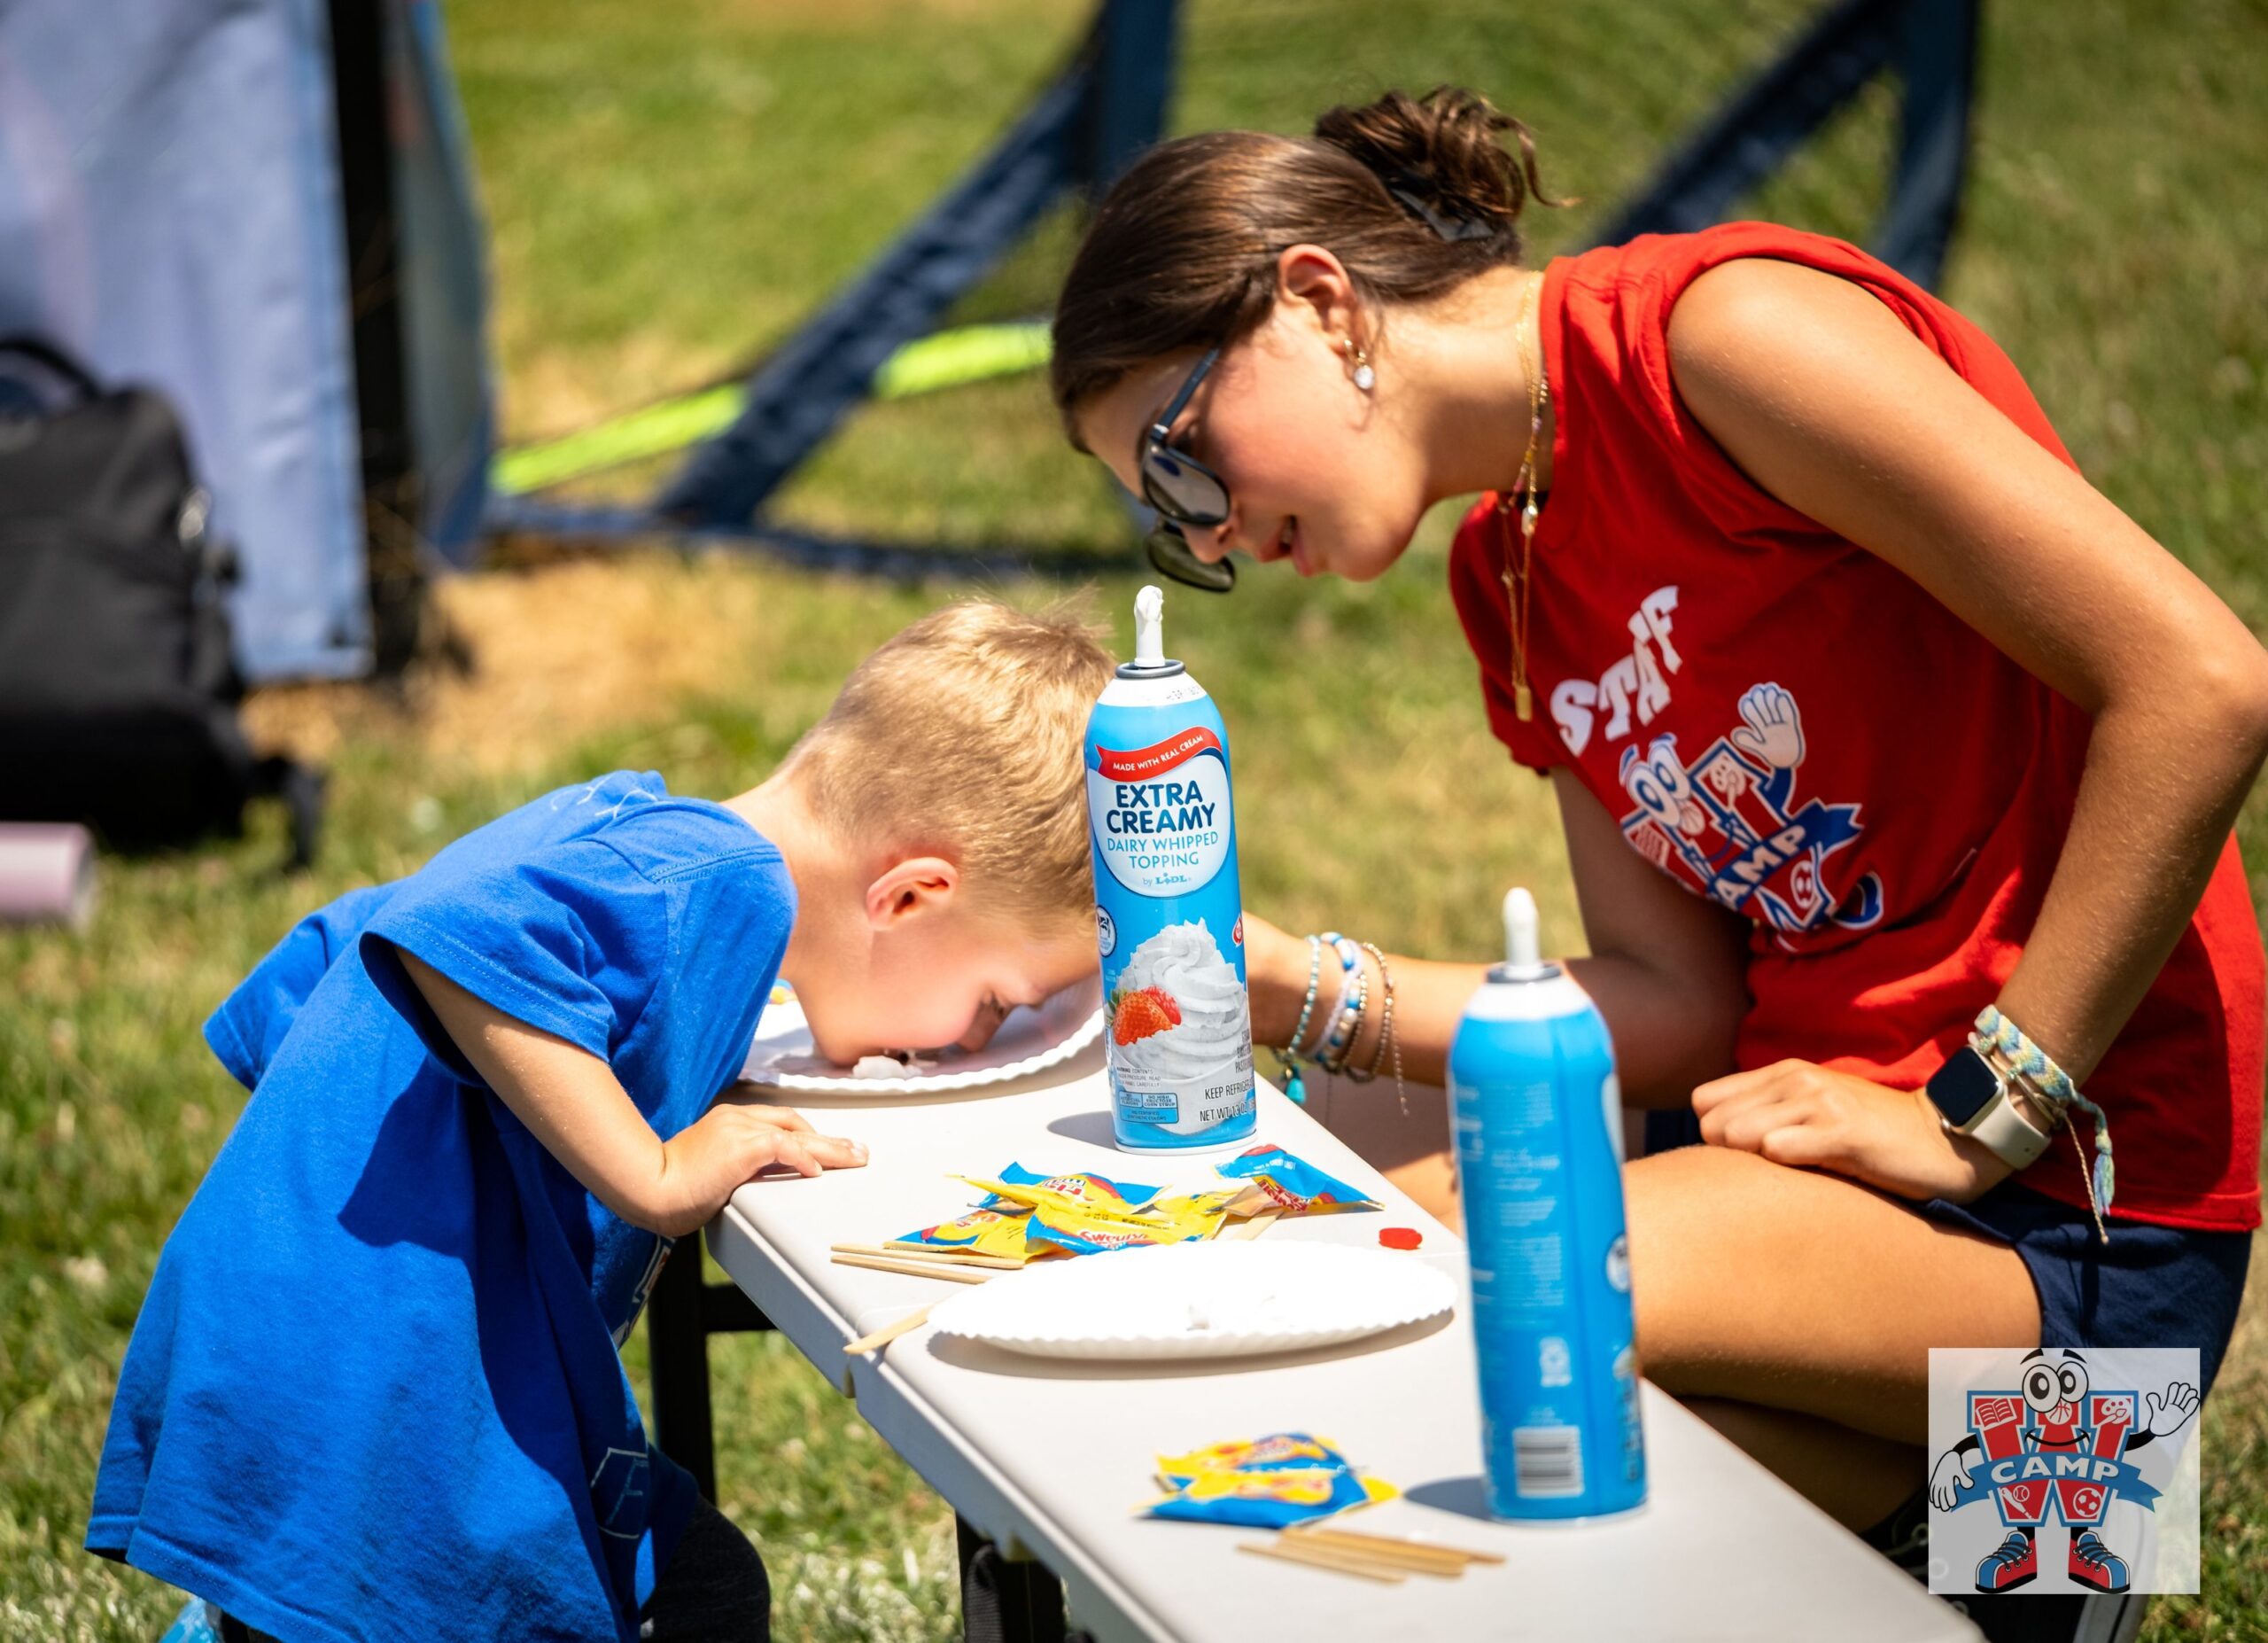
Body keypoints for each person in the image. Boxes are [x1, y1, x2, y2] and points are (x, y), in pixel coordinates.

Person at [1048, 84, 2264, 1586]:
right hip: (1810, 1160)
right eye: (1174, 521)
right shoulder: (1508, 568)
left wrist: (1976, 1113)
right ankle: (1994, 1548)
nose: (1214, 533)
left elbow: (2200, 684)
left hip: (2063, 1204)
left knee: (1415, 1271)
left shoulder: (1723, 342)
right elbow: (1675, 1004)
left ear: (1316, 303)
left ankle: (2050, 1511)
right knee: (1331, 1309)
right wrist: (1274, 980)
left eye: (1181, 463)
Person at [87, 601, 1111, 1642]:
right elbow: (453, 931)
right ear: (906, 898)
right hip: (376, 1406)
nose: (974, 1039)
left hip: (319, 1353)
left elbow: (327, 956)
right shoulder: (713, 884)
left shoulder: (634, 830)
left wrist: (331, 1107)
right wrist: (652, 1174)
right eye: (992, 1002)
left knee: (697, 1586)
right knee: (694, 1598)